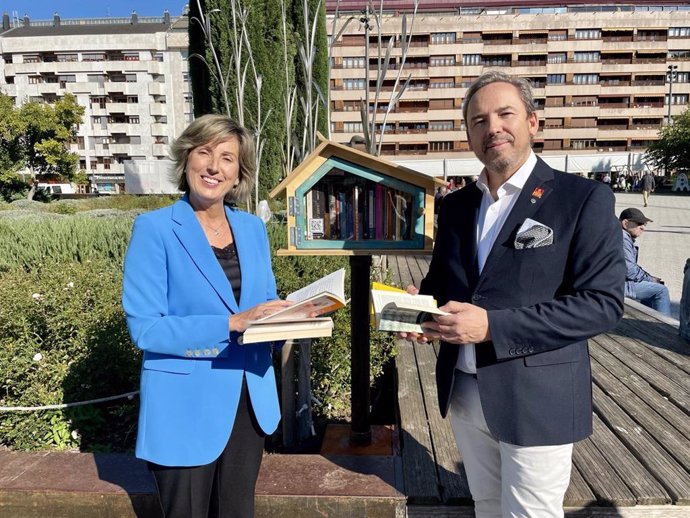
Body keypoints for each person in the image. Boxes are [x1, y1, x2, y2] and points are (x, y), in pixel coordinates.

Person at [401, 71, 625, 517]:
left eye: (505, 114)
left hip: (536, 396)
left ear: (533, 123)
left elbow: (602, 304)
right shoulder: (457, 205)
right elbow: (444, 284)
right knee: (486, 507)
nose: (492, 128)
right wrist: (420, 309)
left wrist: (491, 327)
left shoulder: (583, 198)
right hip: (464, 390)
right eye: (479, 120)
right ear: (468, 133)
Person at [122, 114, 293, 518]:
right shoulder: (155, 229)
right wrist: (230, 324)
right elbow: (146, 328)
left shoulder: (252, 229)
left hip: (248, 401)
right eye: (204, 153)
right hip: (183, 406)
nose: (214, 166)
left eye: (227, 157)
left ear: (239, 173)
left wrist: (292, 318)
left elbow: (261, 305)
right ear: (186, 161)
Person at [619, 207, 671, 316]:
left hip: (614, 281)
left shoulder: (621, 235)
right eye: (639, 223)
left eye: (644, 224)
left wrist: (649, 278)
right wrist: (650, 279)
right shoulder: (622, 238)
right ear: (625, 223)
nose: (643, 228)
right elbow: (630, 271)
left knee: (651, 286)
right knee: (661, 291)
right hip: (616, 285)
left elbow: (631, 267)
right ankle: (664, 329)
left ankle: (646, 321)